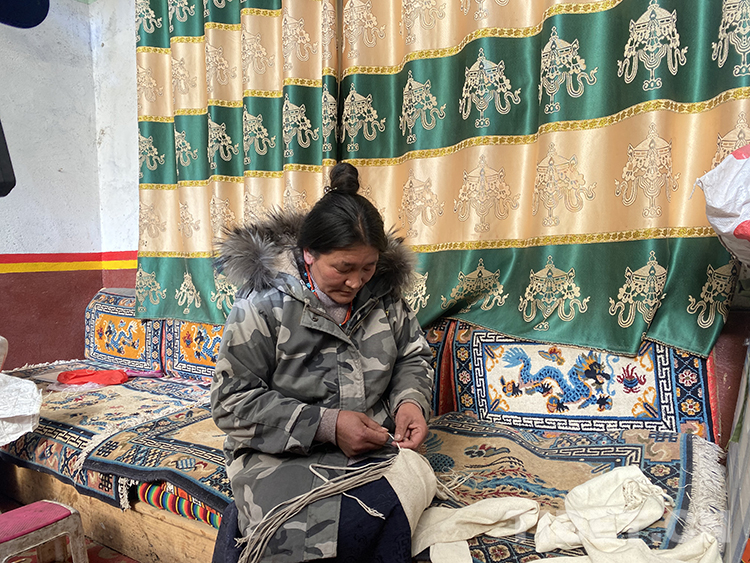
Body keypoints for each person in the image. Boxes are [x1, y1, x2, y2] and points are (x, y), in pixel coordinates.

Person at [210, 162, 434, 563]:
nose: (356, 282)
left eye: (367, 268)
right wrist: (326, 425)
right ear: (308, 254)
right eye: (343, 268)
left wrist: (410, 402)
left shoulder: (384, 297)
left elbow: (411, 356)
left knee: (392, 517)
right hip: (281, 455)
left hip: (374, 448)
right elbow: (231, 402)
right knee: (307, 536)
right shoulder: (263, 306)